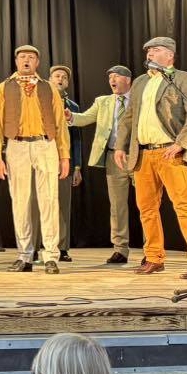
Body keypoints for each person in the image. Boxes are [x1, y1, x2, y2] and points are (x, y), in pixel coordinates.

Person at [120, 36, 187, 280]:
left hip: (170, 152)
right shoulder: (140, 82)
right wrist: (121, 146)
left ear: (169, 55)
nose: (149, 54)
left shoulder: (183, 79)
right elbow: (129, 116)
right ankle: (154, 258)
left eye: (155, 50)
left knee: (183, 205)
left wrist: (181, 143)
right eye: (148, 50)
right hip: (143, 154)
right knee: (146, 208)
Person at [0, 44, 69, 275]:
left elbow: (60, 122)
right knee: (20, 201)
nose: (26, 60)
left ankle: (51, 256)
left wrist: (64, 155)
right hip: (17, 145)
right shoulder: (4, 87)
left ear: (37, 62)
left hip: (45, 144)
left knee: (49, 200)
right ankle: (24, 255)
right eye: (22, 56)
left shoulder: (49, 87)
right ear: (16, 61)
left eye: (31, 57)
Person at [69, 65, 134, 266]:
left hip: (138, 156)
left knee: (147, 204)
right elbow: (85, 118)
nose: (112, 80)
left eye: (116, 76)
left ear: (128, 80)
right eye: (110, 77)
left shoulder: (139, 99)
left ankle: (152, 250)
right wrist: (70, 117)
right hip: (114, 158)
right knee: (117, 206)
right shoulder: (103, 101)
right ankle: (120, 249)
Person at [44, 65, 83, 262]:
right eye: (57, 76)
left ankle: (62, 248)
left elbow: (76, 138)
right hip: (42, 158)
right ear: (49, 79)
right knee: (41, 204)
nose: (60, 79)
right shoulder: (40, 101)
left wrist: (77, 167)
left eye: (64, 77)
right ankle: (39, 247)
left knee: (62, 205)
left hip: (64, 161)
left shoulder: (72, 106)